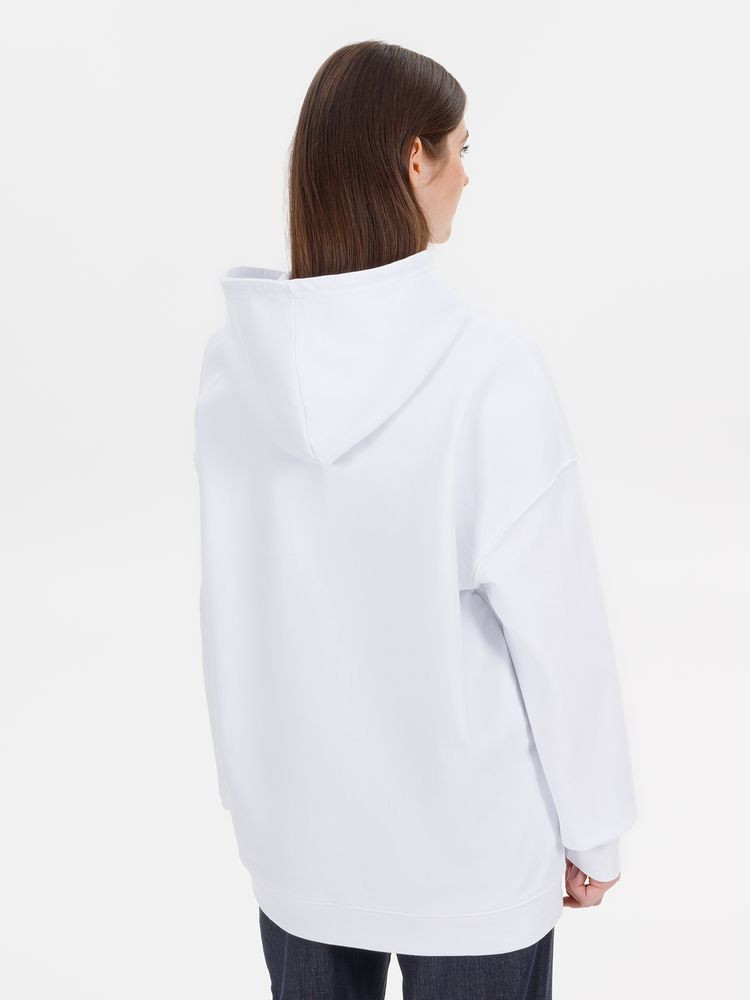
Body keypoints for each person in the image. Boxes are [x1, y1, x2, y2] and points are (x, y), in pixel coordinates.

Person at [193, 39, 637, 1000]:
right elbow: (559, 628)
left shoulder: (233, 370)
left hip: (302, 849)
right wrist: (594, 828)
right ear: (413, 159)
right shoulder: (489, 373)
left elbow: (229, 607)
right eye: (461, 149)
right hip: (472, 859)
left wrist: (253, 807)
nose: (467, 176)